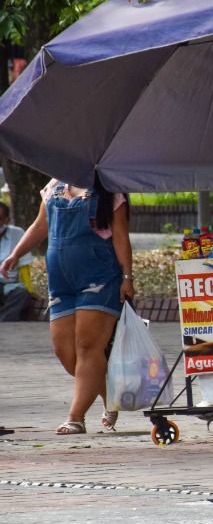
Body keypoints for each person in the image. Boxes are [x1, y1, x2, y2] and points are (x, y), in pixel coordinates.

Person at [0, 178, 134, 434]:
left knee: (88, 345)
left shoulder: (109, 190)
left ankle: (75, 417)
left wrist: (127, 276)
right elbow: (40, 225)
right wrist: (15, 254)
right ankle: (109, 392)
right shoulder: (54, 187)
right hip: (60, 280)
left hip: (100, 277)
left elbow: (120, 235)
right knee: (65, 351)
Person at [0, 201, 33, 321]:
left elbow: (24, 265)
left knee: (22, 293)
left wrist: (30, 289)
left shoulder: (17, 233)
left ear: (6, 220)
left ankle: (4, 321)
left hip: (8, 284)